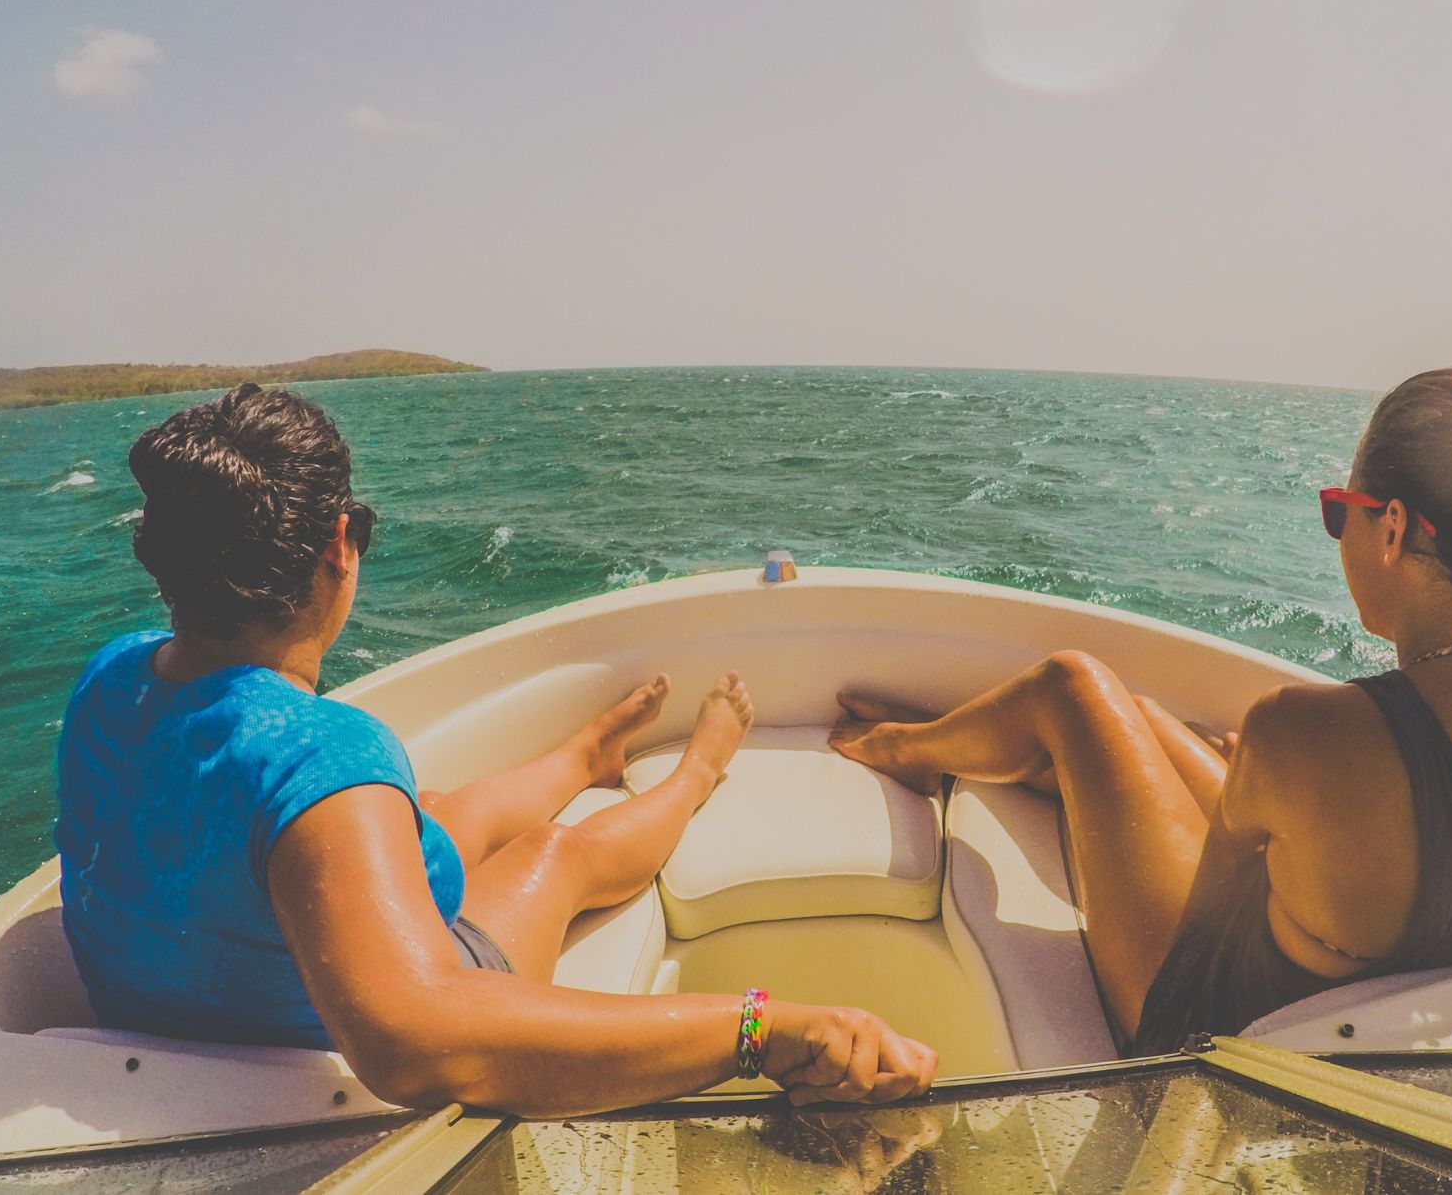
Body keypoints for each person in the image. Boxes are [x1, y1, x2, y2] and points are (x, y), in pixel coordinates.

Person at [56, 384, 937, 1116]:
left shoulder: (116, 672)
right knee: (557, 852)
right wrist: (758, 1029)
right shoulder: (319, 754)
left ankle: (581, 759)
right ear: (339, 545)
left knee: (427, 816)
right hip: (291, 1043)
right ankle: (701, 768)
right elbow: (416, 1043)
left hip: (168, 1006)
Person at [831, 368, 1452, 1053]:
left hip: (1208, 1027)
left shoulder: (1310, 734)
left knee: (1076, 689)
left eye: (1343, 513)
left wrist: (1262, 779)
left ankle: (905, 748)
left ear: (1396, 527)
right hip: (1417, 980)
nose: (1340, 535)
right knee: (1141, 719)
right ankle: (1024, 756)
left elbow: (1209, 925)